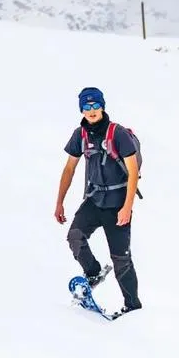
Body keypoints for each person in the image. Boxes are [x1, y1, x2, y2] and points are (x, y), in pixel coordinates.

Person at [55, 87, 143, 314]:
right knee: (75, 236)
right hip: (94, 200)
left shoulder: (118, 134)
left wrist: (127, 207)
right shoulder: (80, 135)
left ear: (102, 106)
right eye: (87, 106)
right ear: (81, 110)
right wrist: (59, 202)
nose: (92, 110)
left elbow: (133, 172)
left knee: (121, 259)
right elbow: (69, 169)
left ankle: (132, 307)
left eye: (95, 105)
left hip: (117, 203)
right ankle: (93, 272)